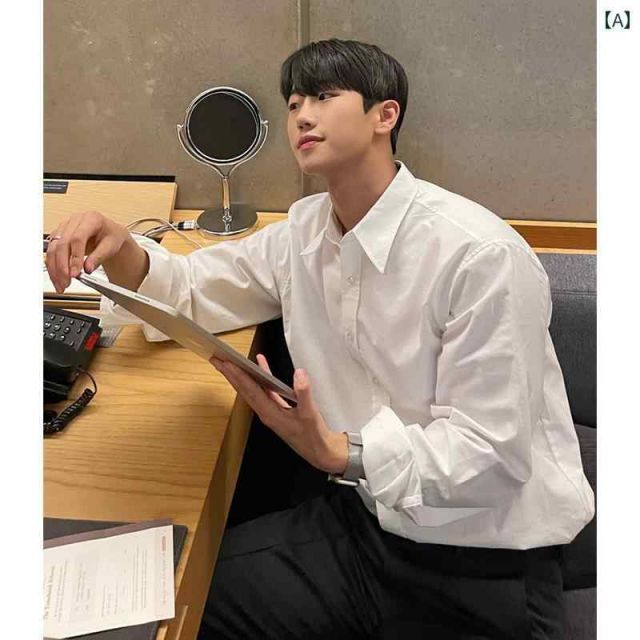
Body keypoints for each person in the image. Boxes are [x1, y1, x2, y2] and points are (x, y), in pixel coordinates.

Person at [46, 38, 594, 639]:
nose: (302, 116)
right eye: (293, 103)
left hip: (485, 564)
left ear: (385, 115)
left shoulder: (478, 255)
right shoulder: (303, 231)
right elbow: (195, 288)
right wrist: (121, 246)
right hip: (364, 519)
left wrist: (340, 453)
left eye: (324, 96)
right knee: (181, 600)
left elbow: (491, 455)